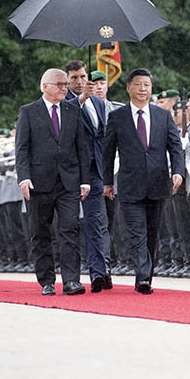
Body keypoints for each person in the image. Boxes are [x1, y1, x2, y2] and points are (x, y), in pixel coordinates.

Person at [103, 68, 185, 294]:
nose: (142, 89)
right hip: (130, 184)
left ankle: (146, 274)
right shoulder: (117, 117)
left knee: (152, 232)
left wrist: (178, 171)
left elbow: (175, 147)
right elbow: (108, 151)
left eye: (147, 85)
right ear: (129, 87)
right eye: (138, 85)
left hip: (158, 183)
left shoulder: (162, 116)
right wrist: (107, 181)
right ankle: (142, 277)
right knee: (137, 232)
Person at [15, 68, 91, 296]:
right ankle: (46, 280)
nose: (63, 88)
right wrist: (24, 178)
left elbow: (81, 148)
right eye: (59, 84)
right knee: (40, 232)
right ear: (44, 86)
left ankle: (71, 281)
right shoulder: (29, 111)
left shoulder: (72, 110)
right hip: (39, 183)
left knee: (70, 230)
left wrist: (85, 180)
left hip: (68, 182)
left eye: (65, 84)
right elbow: (22, 148)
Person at [64, 59, 112, 292]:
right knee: (69, 225)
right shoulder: (62, 103)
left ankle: (99, 273)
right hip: (70, 173)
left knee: (96, 222)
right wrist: (79, 101)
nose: (80, 81)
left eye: (83, 77)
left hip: (95, 172)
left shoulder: (99, 104)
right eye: (74, 78)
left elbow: (102, 138)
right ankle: (71, 276)